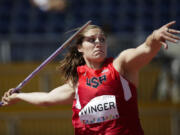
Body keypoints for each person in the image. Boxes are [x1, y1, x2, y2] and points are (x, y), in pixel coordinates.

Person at [1, 21, 180, 135]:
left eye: (102, 39)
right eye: (92, 40)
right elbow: (47, 99)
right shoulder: (77, 84)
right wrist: (19, 96)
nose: (98, 43)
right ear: (80, 47)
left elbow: (146, 49)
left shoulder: (122, 65)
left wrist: (155, 38)